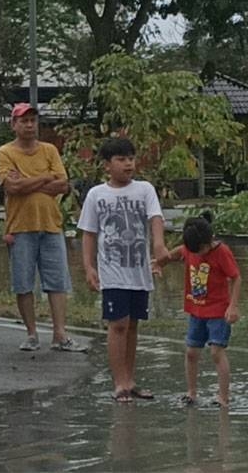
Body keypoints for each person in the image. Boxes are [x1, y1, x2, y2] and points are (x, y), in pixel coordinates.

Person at [78, 137, 169, 402]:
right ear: (107, 164)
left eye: (131, 158)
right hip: (112, 270)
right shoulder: (97, 194)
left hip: (138, 271)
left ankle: (130, 380)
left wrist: (160, 246)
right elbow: (89, 233)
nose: (128, 164)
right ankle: (119, 383)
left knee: (132, 325)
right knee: (117, 324)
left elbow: (155, 218)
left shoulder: (145, 189)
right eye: (121, 159)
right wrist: (88, 266)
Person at [0, 103, 87, 353]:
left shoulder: (49, 150)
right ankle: (32, 333)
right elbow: (11, 187)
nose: (29, 125)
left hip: (51, 224)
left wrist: (29, 182)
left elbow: (63, 184)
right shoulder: (5, 153)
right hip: (20, 226)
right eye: (23, 121)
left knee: (57, 281)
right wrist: (45, 178)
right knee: (23, 282)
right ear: (13, 124)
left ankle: (60, 334)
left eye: (33, 120)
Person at [156, 215, 241, 407]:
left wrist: (233, 305)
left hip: (218, 311)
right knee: (191, 352)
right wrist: (162, 262)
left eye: (200, 250)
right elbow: (178, 253)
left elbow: (236, 277)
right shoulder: (190, 247)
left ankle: (223, 397)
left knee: (216, 352)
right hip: (196, 310)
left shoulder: (222, 252)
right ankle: (191, 392)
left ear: (208, 241)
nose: (198, 254)